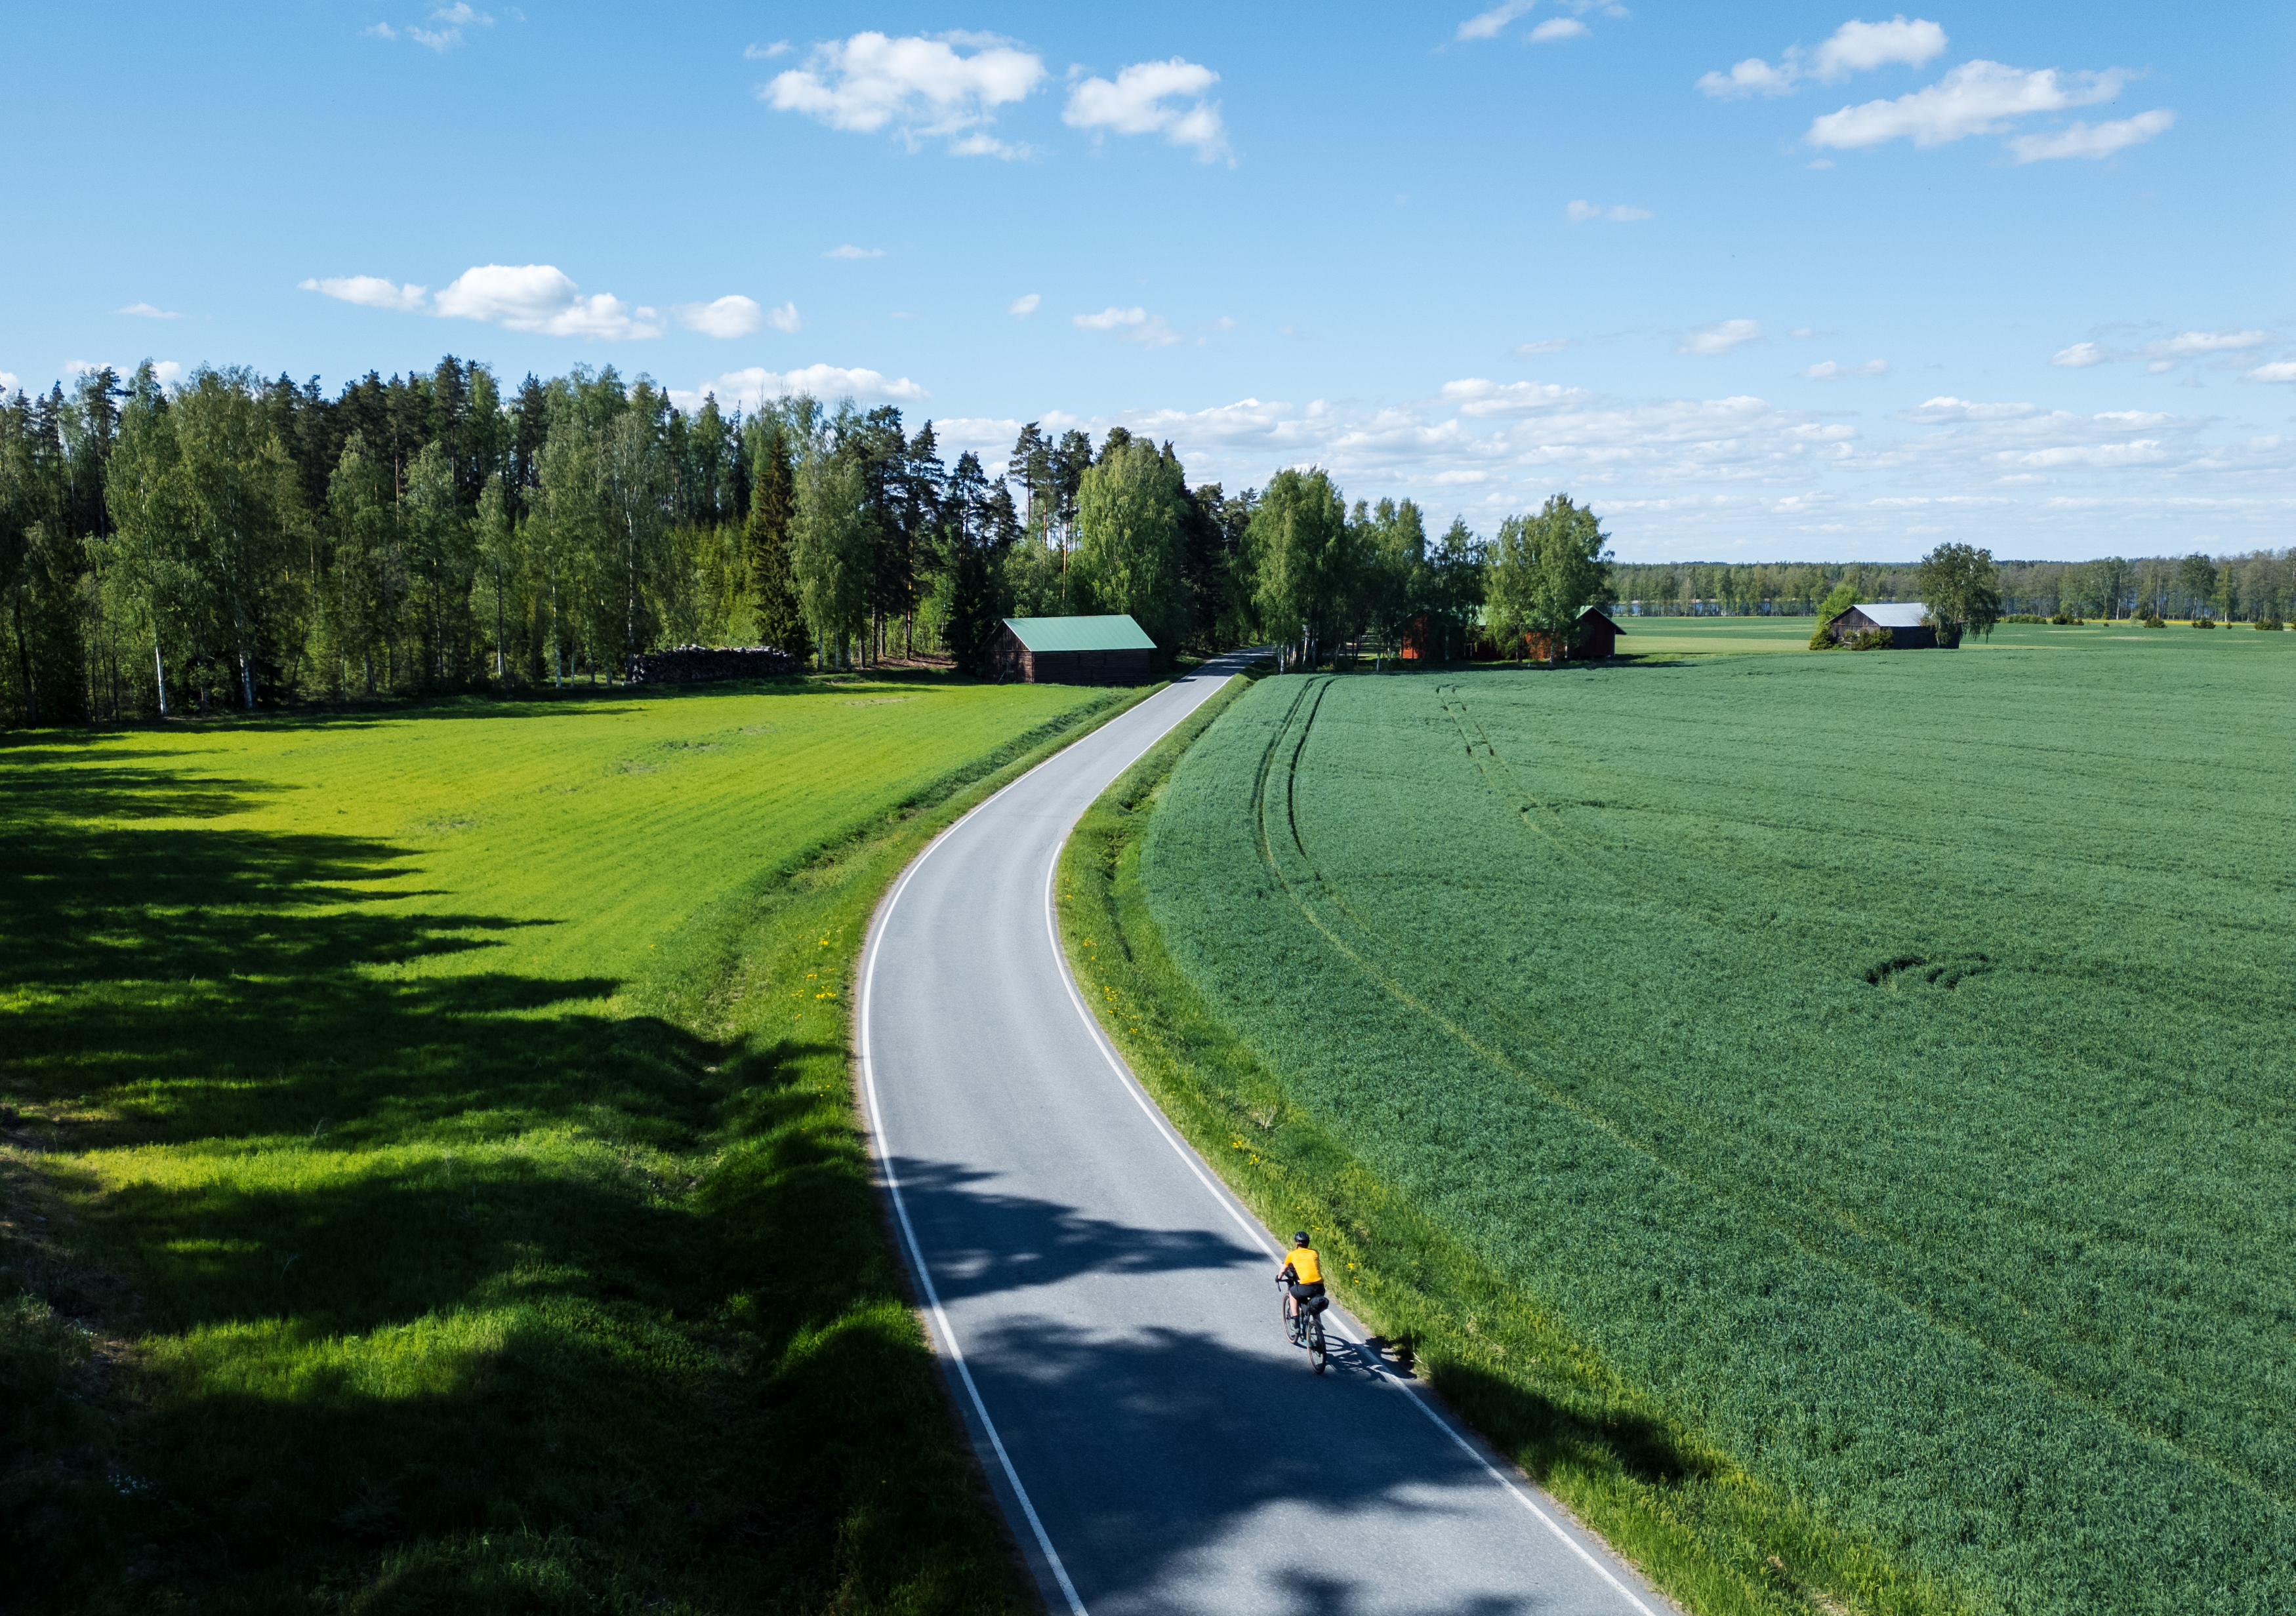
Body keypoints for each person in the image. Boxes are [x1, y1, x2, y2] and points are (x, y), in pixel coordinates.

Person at [1277, 1231, 1326, 1333]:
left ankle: (1297, 1324)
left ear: (1297, 1244)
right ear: (1308, 1243)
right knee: (1314, 1305)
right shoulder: (1314, 1253)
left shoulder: (1292, 1254)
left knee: (1292, 1292)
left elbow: (1283, 1270)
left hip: (1306, 1287)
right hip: (1320, 1287)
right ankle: (1318, 1329)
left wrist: (1279, 1277)